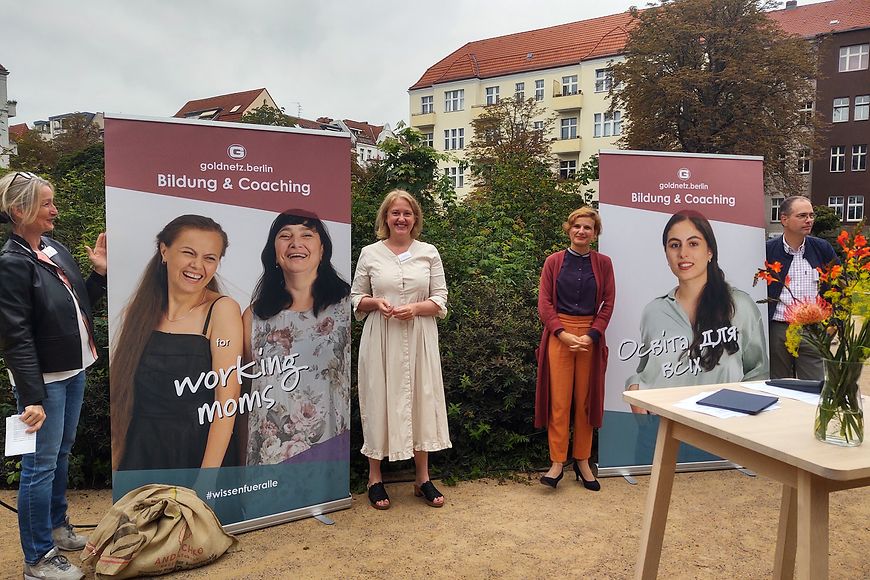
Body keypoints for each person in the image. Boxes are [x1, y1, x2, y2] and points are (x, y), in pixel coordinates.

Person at [0, 171, 106, 580]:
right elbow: (16, 336)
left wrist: (97, 275)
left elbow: (76, 309)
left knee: (60, 454)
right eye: (46, 203)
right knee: (39, 466)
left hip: (75, 369)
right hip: (43, 380)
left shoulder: (53, 249)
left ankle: (59, 528)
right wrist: (32, 397)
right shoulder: (11, 264)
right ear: (18, 210)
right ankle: (38, 559)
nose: (54, 210)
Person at [111, 215, 243, 471]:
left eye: (210, 258)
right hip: (142, 452)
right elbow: (123, 400)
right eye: (188, 253)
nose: (197, 265)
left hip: (199, 452)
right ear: (164, 251)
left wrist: (208, 478)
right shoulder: (137, 313)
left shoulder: (222, 310)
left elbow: (227, 401)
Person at [351, 189, 451, 509]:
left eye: (407, 213)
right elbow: (355, 298)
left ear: (415, 218)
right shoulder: (370, 253)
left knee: (421, 400)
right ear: (385, 218)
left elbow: (440, 299)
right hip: (382, 338)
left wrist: (417, 308)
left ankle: (422, 478)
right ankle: (375, 479)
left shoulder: (428, 252)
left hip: (420, 337)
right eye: (395, 213)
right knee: (378, 400)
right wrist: (374, 302)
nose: (401, 218)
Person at [626, 210, 768, 409]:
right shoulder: (654, 311)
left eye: (693, 244)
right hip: (662, 431)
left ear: (709, 251)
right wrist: (634, 385)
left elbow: (758, 373)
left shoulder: (740, 306)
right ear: (666, 253)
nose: (683, 253)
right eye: (675, 245)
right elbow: (647, 370)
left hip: (720, 432)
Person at [244, 210, 351, 465]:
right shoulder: (254, 316)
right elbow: (245, 395)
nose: (296, 243)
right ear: (274, 253)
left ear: (322, 250)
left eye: (307, 234)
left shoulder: (347, 307)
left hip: (329, 452)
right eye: (285, 235)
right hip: (268, 460)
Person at [535, 207, 615, 491]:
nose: (582, 231)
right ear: (568, 229)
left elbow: (608, 303)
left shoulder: (603, 263)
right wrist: (561, 333)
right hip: (560, 336)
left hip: (590, 337)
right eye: (577, 226)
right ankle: (557, 462)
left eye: (588, 228)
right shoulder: (554, 262)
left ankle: (582, 460)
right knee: (559, 402)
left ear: (595, 234)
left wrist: (593, 334)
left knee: (585, 401)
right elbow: (544, 303)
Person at [766, 196, 837, 380]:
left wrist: (835, 324)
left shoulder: (822, 249)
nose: (809, 220)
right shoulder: (767, 251)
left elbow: (840, 286)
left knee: (815, 387)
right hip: (778, 330)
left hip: (812, 330)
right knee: (778, 385)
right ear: (784, 219)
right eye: (802, 215)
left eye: (811, 215)